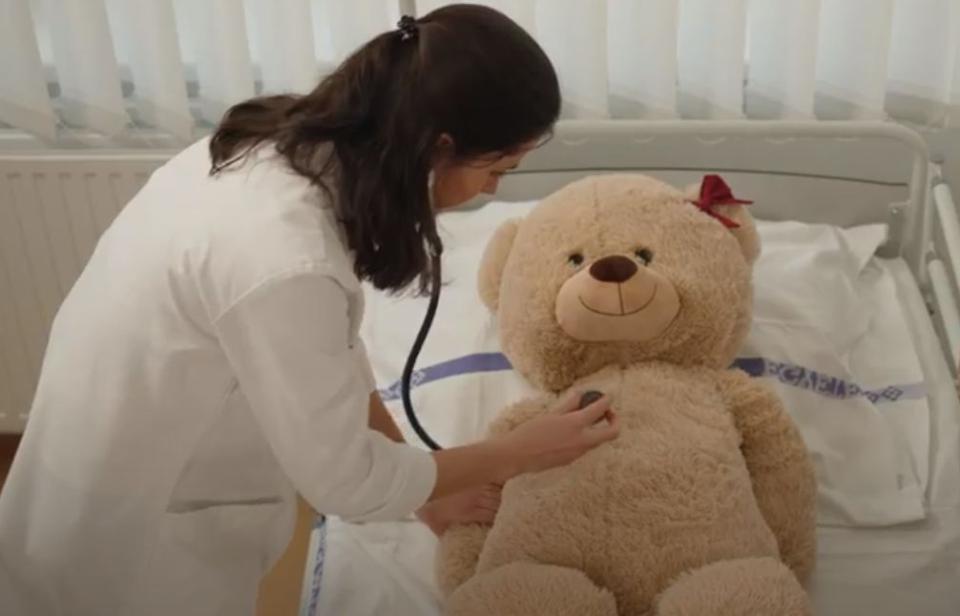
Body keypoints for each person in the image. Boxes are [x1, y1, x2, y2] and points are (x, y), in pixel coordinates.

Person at [0, 5, 618, 616]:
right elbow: (346, 483)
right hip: (137, 538)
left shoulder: (290, 149)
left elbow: (335, 350)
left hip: (141, 463)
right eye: (497, 168)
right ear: (438, 147)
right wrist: (518, 452)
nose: (493, 191)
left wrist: (429, 497)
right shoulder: (281, 255)